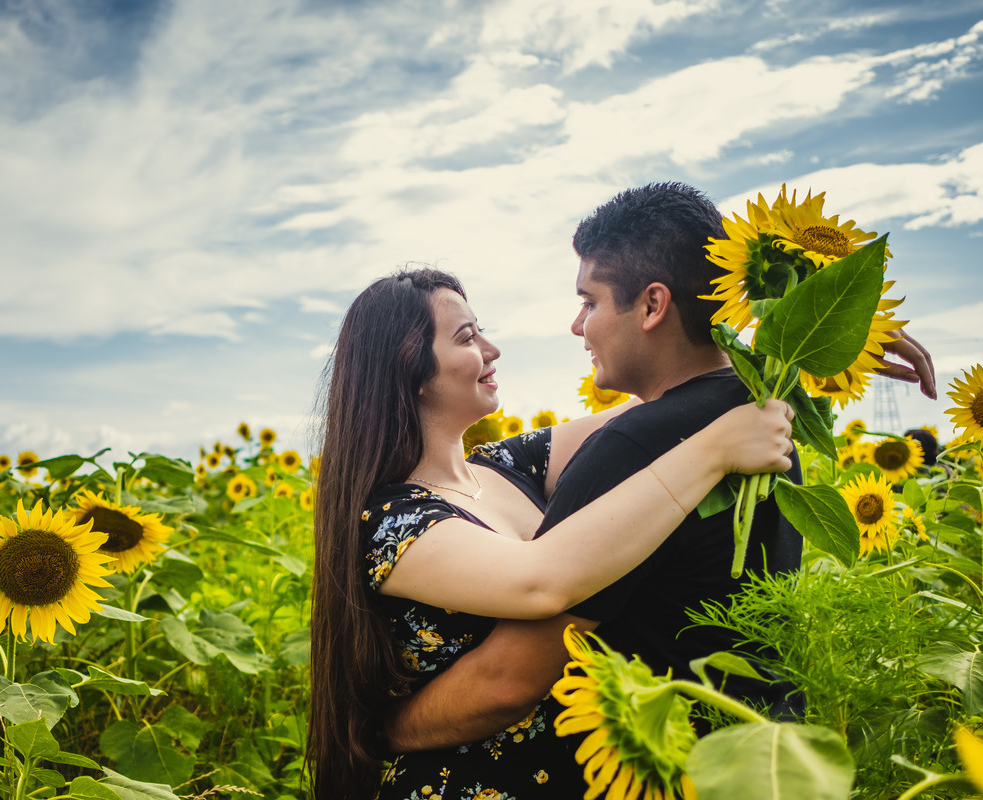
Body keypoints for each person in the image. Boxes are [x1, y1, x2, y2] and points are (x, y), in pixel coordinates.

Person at [382, 183, 939, 791]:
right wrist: (814, 342)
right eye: (466, 337)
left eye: (588, 301)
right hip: (749, 750)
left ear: (652, 306)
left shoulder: (638, 448)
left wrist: (377, 731)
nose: (576, 325)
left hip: (663, 763)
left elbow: (509, 679)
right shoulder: (760, 411)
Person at [306, 266, 797, 799]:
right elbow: (542, 582)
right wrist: (716, 450)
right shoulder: (392, 521)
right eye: (468, 337)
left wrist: (807, 339)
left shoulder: (505, 463)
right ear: (412, 369)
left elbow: (674, 396)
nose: (492, 350)